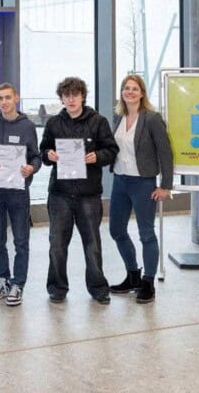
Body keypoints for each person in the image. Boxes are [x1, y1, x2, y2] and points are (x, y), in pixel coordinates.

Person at [40, 77, 118, 304]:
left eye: (75, 95)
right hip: (60, 194)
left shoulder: (98, 121)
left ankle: (98, 288)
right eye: (66, 96)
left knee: (92, 244)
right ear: (61, 98)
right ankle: (57, 287)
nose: (71, 99)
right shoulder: (54, 123)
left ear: (83, 96)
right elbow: (43, 149)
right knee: (57, 244)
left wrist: (98, 156)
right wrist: (49, 155)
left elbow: (112, 150)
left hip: (89, 194)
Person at [108, 75, 173, 303]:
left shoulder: (152, 119)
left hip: (143, 182)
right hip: (120, 181)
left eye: (135, 89)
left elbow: (165, 152)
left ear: (142, 93)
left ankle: (148, 282)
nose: (130, 92)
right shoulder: (119, 116)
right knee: (116, 230)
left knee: (146, 233)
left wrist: (165, 185)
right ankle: (132, 274)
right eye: (126, 88)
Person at [0, 83, 41, 307]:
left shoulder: (27, 126)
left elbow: (36, 156)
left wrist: (31, 168)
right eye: (0, 98)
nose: (4, 102)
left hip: (18, 191)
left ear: (16, 98)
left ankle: (18, 283)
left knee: (20, 240)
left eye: (8, 97)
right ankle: (2, 279)